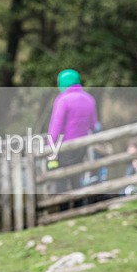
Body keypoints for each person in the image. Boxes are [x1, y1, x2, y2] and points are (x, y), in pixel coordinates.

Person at [46, 69, 99, 205]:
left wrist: (49, 149)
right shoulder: (89, 99)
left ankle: (63, 209)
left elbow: (55, 128)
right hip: (82, 146)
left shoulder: (63, 100)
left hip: (65, 147)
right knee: (77, 177)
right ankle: (79, 206)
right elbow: (93, 124)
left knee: (61, 180)